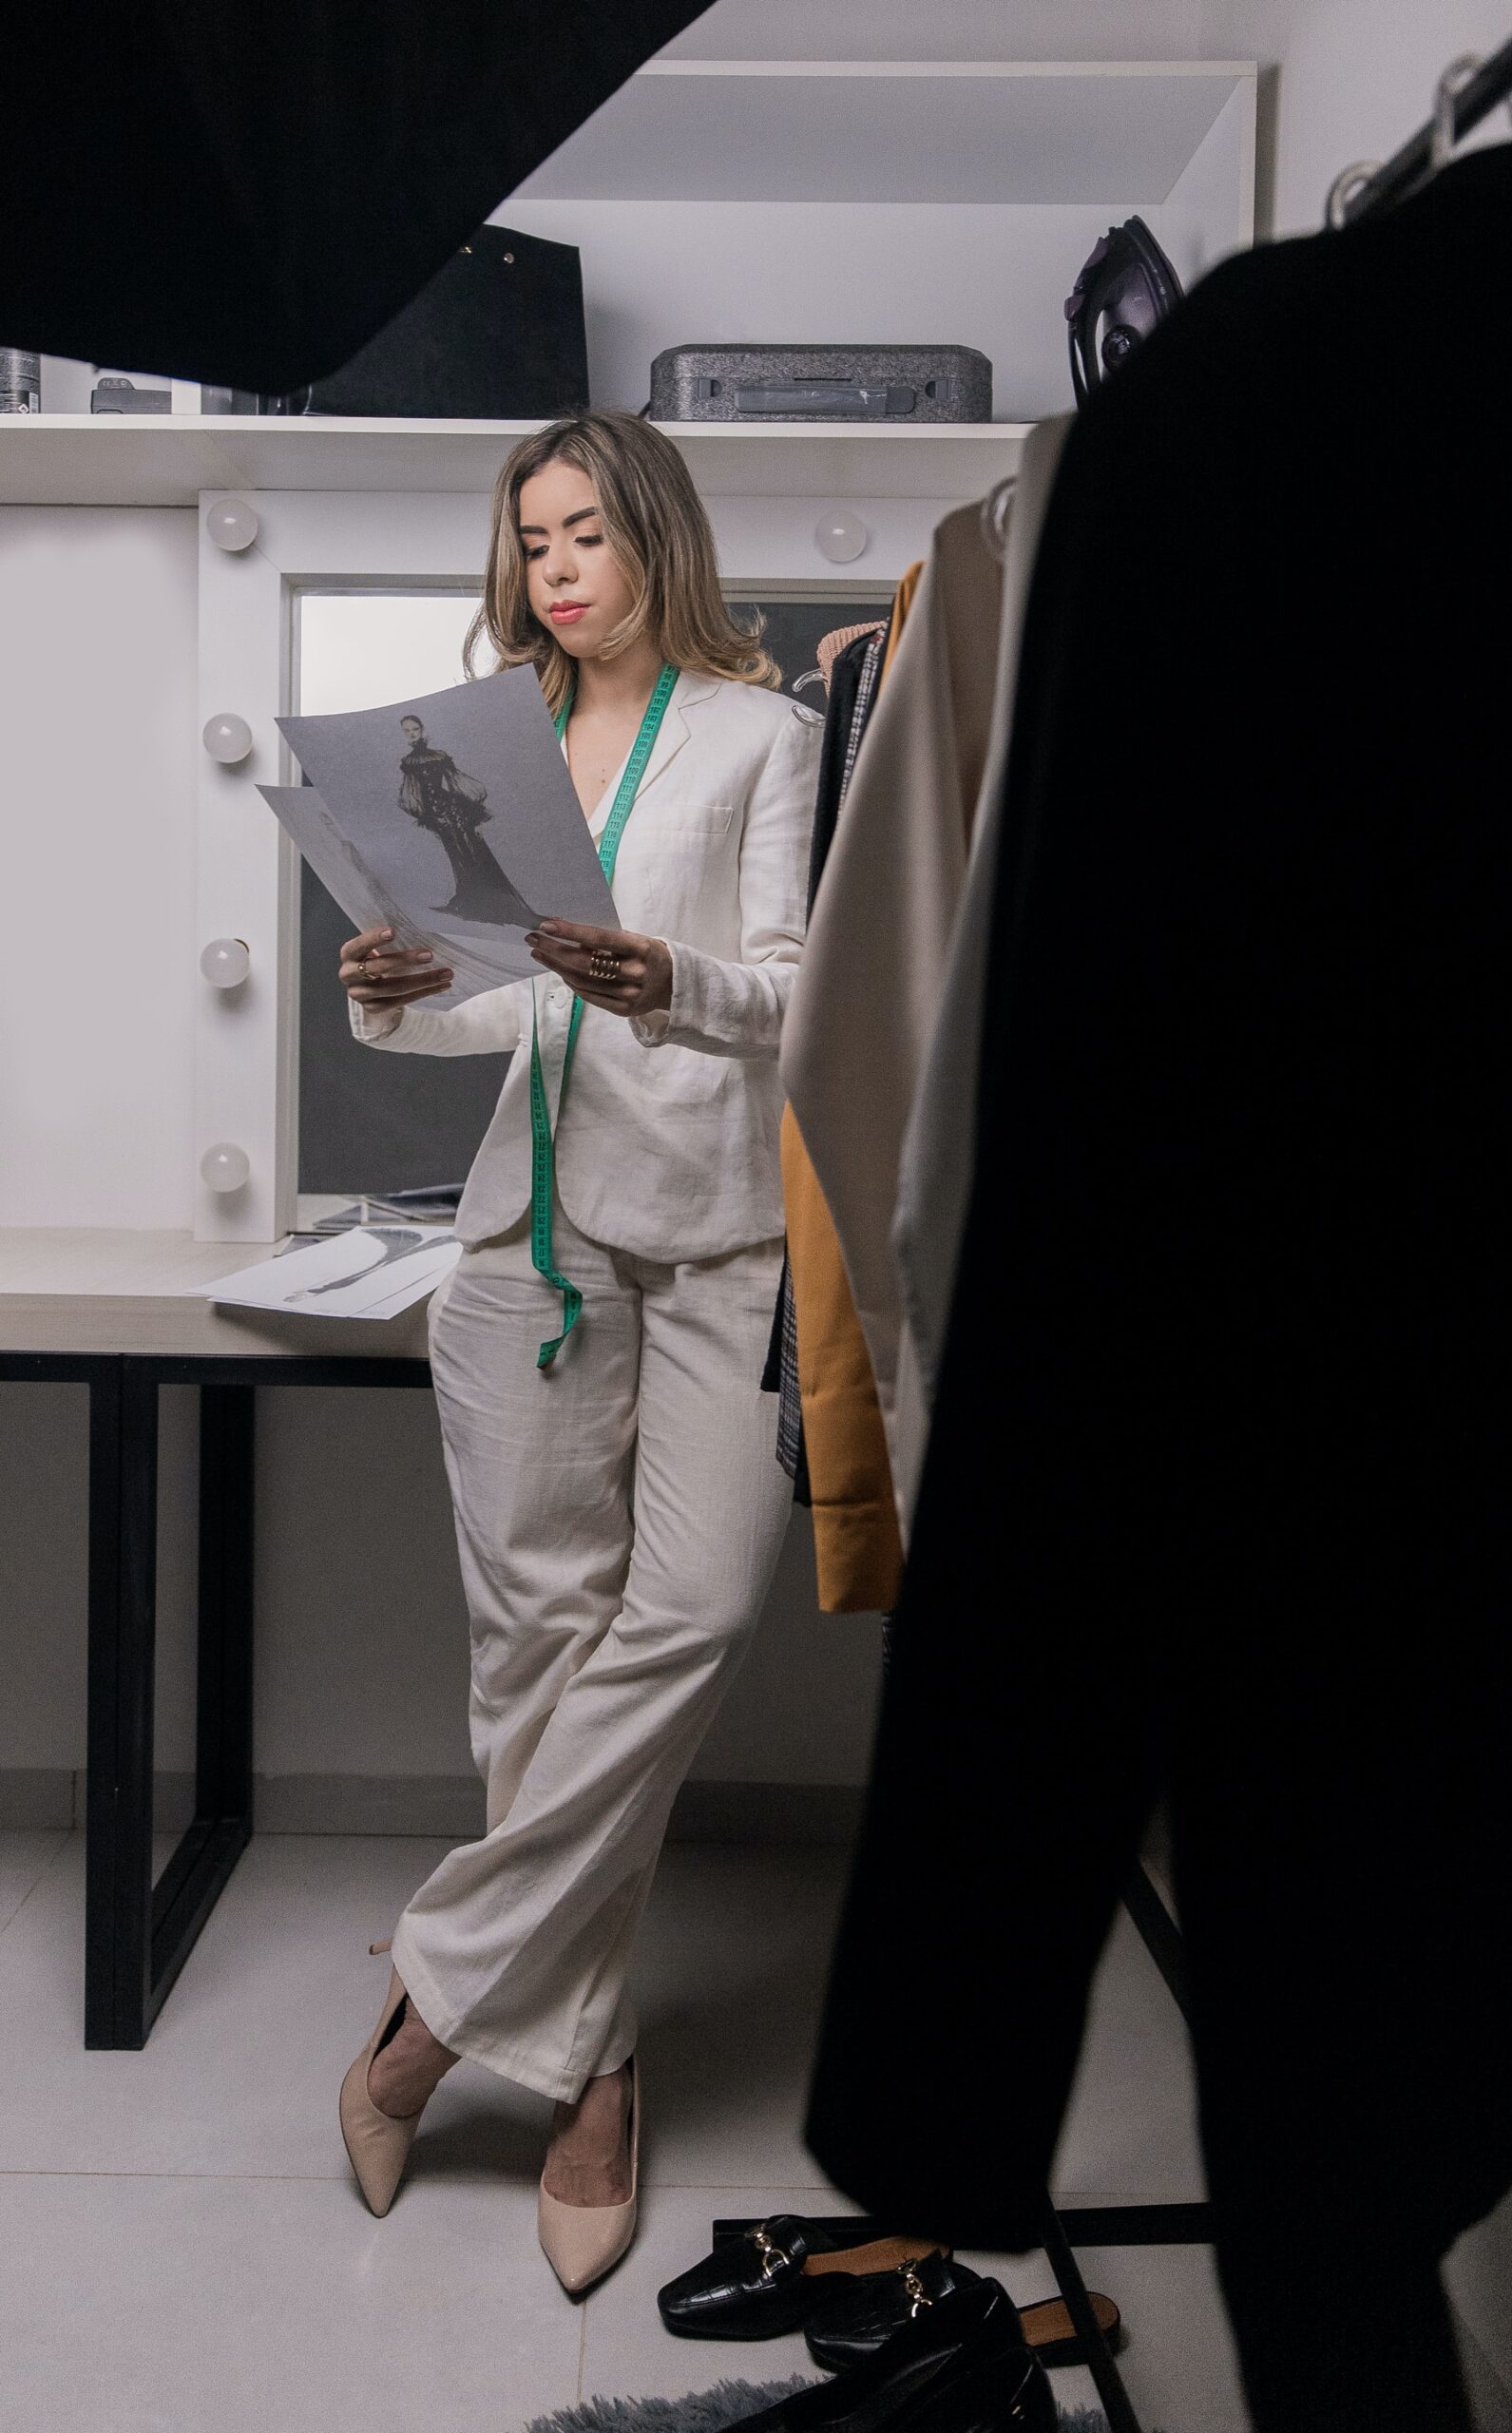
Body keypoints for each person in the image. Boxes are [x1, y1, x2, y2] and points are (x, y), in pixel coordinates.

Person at [334, 410, 821, 2295]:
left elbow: (786, 991)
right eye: (529, 534)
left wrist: (667, 978)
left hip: (714, 1249)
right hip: (518, 1255)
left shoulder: (763, 733)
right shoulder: (489, 740)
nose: (552, 562)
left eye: (584, 528)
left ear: (655, 537)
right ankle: (594, 2064)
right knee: (534, 1646)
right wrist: (397, 994)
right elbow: (489, 1017)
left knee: (689, 1608)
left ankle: (428, 2011)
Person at [394, 713, 539, 927]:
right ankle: (472, 901)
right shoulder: (409, 762)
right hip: (437, 816)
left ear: (422, 730)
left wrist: (474, 815)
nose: (412, 734)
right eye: (407, 731)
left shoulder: (439, 756)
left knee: (474, 852)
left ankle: (495, 904)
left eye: (415, 729)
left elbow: (456, 782)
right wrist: (427, 817)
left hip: (454, 811)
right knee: (457, 855)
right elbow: (411, 794)